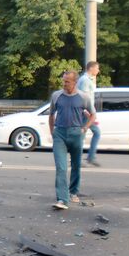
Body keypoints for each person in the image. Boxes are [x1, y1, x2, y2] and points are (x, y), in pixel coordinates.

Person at [48, 70, 96, 210]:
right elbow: (51, 115)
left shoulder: (83, 97)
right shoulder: (56, 96)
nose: (64, 83)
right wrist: (53, 132)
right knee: (61, 167)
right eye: (63, 81)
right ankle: (62, 199)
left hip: (76, 133)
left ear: (75, 82)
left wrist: (84, 128)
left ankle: (73, 191)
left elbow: (93, 115)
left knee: (76, 165)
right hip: (60, 134)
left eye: (67, 81)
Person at [77, 61, 101, 166]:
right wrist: (88, 112)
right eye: (97, 68)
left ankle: (90, 157)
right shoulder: (85, 80)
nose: (98, 71)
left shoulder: (87, 79)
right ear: (91, 68)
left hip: (87, 112)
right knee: (82, 135)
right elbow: (84, 98)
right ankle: (82, 159)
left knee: (87, 134)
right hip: (85, 113)